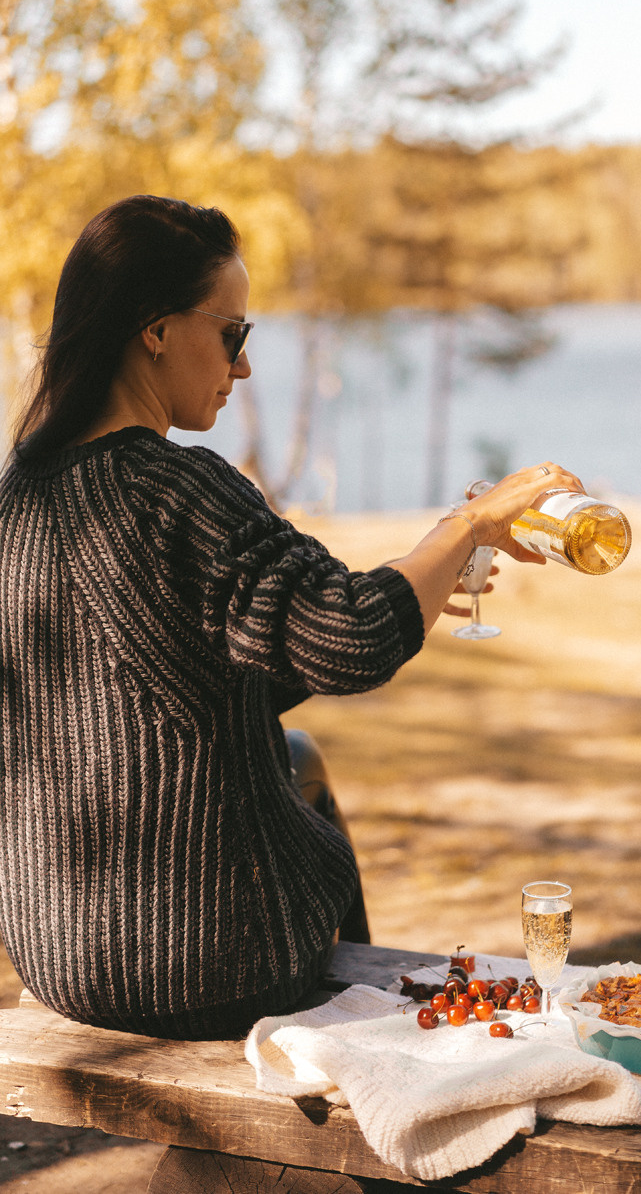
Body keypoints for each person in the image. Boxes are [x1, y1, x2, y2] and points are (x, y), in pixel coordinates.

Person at [0, 194, 583, 1040]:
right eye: (233, 334)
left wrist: (419, 579)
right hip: (207, 964)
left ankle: (360, 1037)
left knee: (295, 757)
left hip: (64, 957)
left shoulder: (20, 500)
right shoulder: (179, 490)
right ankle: (365, 1052)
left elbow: (172, 683)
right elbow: (349, 640)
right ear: (155, 329)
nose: (241, 368)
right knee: (311, 828)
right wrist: (470, 525)